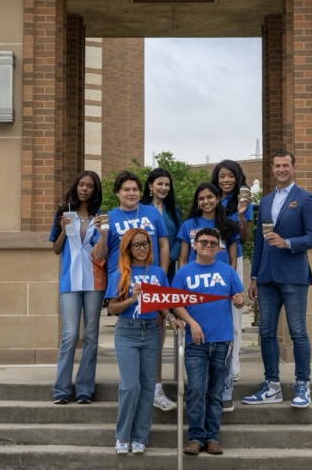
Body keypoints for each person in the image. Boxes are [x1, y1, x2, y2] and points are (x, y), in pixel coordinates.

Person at [242, 151, 312, 410]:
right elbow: (258, 243)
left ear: (294, 168)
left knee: (297, 331)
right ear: (272, 169)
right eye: (277, 165)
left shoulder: (305, 199)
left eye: (286, 165)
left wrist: (287, 243)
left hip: (294, 276)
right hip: (266, 277)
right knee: (266, 332)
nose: (281, 169)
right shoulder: (264, 202)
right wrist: (254, 276)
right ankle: (272, 385)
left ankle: (302, 383)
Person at [93, 170, 176, 413]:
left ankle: (157, 389)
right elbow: (98, 256)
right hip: (123, 281)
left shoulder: (151, 212)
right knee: (129, 333)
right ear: (117, 192)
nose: (131, 193)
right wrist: (103, 235)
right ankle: (132, 386)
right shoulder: (109, 217)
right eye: (126, 189)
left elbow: (163, 243)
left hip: (152, 276)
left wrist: (161, 272)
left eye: (135, 189)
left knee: (157, 331)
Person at [171, 226, 244, 456]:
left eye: (213, 243)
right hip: (196, 343)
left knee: (215, 392)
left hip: (222, 341)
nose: (208, 246)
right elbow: (176, 303)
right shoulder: (183, 273)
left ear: (219, 247)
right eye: (204, 242)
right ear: (194, 245)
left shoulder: (227, 271)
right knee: (196, 389)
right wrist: (191, 323)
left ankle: (212, 437)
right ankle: (195, 437)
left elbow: (239, 301)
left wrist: (240, 301)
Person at [106, 228, 170, 454]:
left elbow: (162, 304)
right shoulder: (120, 273)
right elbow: (112, 308)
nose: (142, 249)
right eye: (137, 245)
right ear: (128, 248)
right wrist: (132, 298)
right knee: (130, 386)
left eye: (145, 244)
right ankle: (123, 436)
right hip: (127, 332)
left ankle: (140, 437)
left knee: (147, 389)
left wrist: (172, 317)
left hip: (151, 330)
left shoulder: (158, 273)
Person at [48, 170, 106, 405]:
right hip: (70, 281)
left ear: (95, 190)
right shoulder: (64, 214)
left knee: (91, 336)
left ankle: (84, 389)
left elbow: (103, 252)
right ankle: (61, 389)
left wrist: (103, 234)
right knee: (70, 334)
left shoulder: (101, 217)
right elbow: (56, 249)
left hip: (94, 281)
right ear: (76, 186)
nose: (84, 189)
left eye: (89, 186)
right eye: (81, 184)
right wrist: (62, 230)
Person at [210, 159, 253, 408]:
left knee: (235, 317)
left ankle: (234, 365)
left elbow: (245, 237)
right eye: (222, 176)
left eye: (231, 176)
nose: (226, 180)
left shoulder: (243, 203)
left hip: (232, 260)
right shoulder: (212, 199)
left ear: (238, 178)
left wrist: (240, 215)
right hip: (209, 260)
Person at [141, 167, 183, 410]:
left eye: (167, 184)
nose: (164, 188)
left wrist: (165, 269)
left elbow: (176, 241)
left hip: (164, 276)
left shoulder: (172, 211)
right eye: (159, 183)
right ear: (150, 185)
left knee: (159, 329)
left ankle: (156, 387)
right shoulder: (142, 210)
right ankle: (144, 384)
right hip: (140, 277)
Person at [176, 183, 237, 270]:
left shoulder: (228, 225)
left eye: (209, 197)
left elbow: (233, 260)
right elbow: (183, 259)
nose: (205, 201)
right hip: (194, 277)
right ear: (197, 202)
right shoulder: (188, 224)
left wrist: (230, 278)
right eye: (201, 198)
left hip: (221, 276)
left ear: (217, 199)